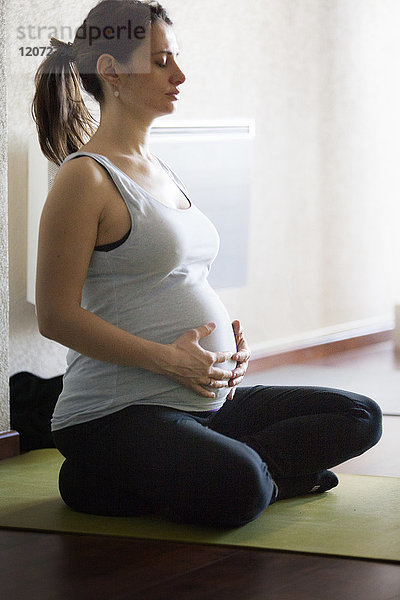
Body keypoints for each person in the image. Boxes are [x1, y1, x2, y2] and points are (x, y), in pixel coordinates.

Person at [31, 0, 382, 528]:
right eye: (161, 60)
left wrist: (225, 356)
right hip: (116, 413)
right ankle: (230, 474)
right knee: (239, 489)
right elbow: (55, 317)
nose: (180, 74)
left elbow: (177, 282)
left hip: (206, 399)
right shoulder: (84, 178)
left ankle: (127, 480)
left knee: (360, 416)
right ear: (111, 72)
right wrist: (169, 361)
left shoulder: (161, 169)